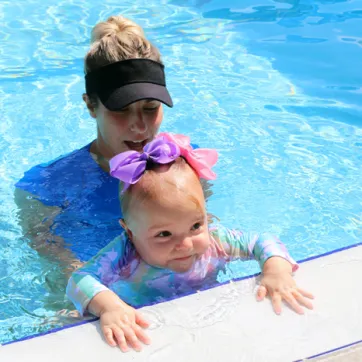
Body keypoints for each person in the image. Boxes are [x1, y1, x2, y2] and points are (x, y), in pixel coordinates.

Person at [66, 133, 314, 353]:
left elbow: (262, 240)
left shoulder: (216, 241)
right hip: (143, 320)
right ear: (129, 232)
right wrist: (111, 308)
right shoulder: (125, 254)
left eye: (196, 226)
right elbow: (79, 280)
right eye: (164, 234)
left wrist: (276, 269)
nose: (185, 244)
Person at [14, 15, 181, 264]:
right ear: (91, 106)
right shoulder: (45, 188)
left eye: (151, 107)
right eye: (121, 109)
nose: (140, 126)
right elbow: (59, 273)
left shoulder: (183, 164)